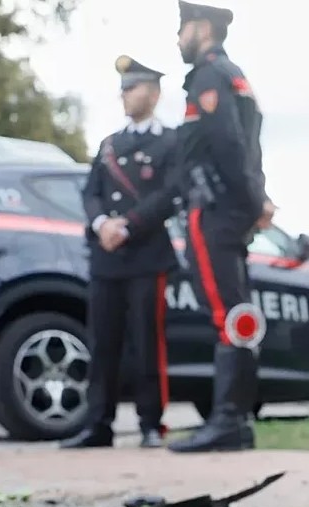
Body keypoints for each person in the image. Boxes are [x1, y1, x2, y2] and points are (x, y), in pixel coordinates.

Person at [166, 0, 275, 453]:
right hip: (232, 210)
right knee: (238, 314)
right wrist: (257, 199)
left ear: (202, 28)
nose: (178, 39)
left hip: (213, 212)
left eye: (182, 29)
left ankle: (228, 420)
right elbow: (250, 149)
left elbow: (229, 145)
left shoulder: (209, 76)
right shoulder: (235, 76)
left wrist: (254, 200)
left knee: (225, 315)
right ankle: (237, 421)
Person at [59, 55, 179, 450]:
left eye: (132, 88)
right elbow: (91, 193)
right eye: (123, 89)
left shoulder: (170, 142)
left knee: (147, 342)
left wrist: (128, 225)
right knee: (102, 343)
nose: (125, 95)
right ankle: (98, 424)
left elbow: (169, 194)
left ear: (154, 93)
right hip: (106, 256)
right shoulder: (109, 144)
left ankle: (151, 424)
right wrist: (101, 225)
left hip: (145, 254)